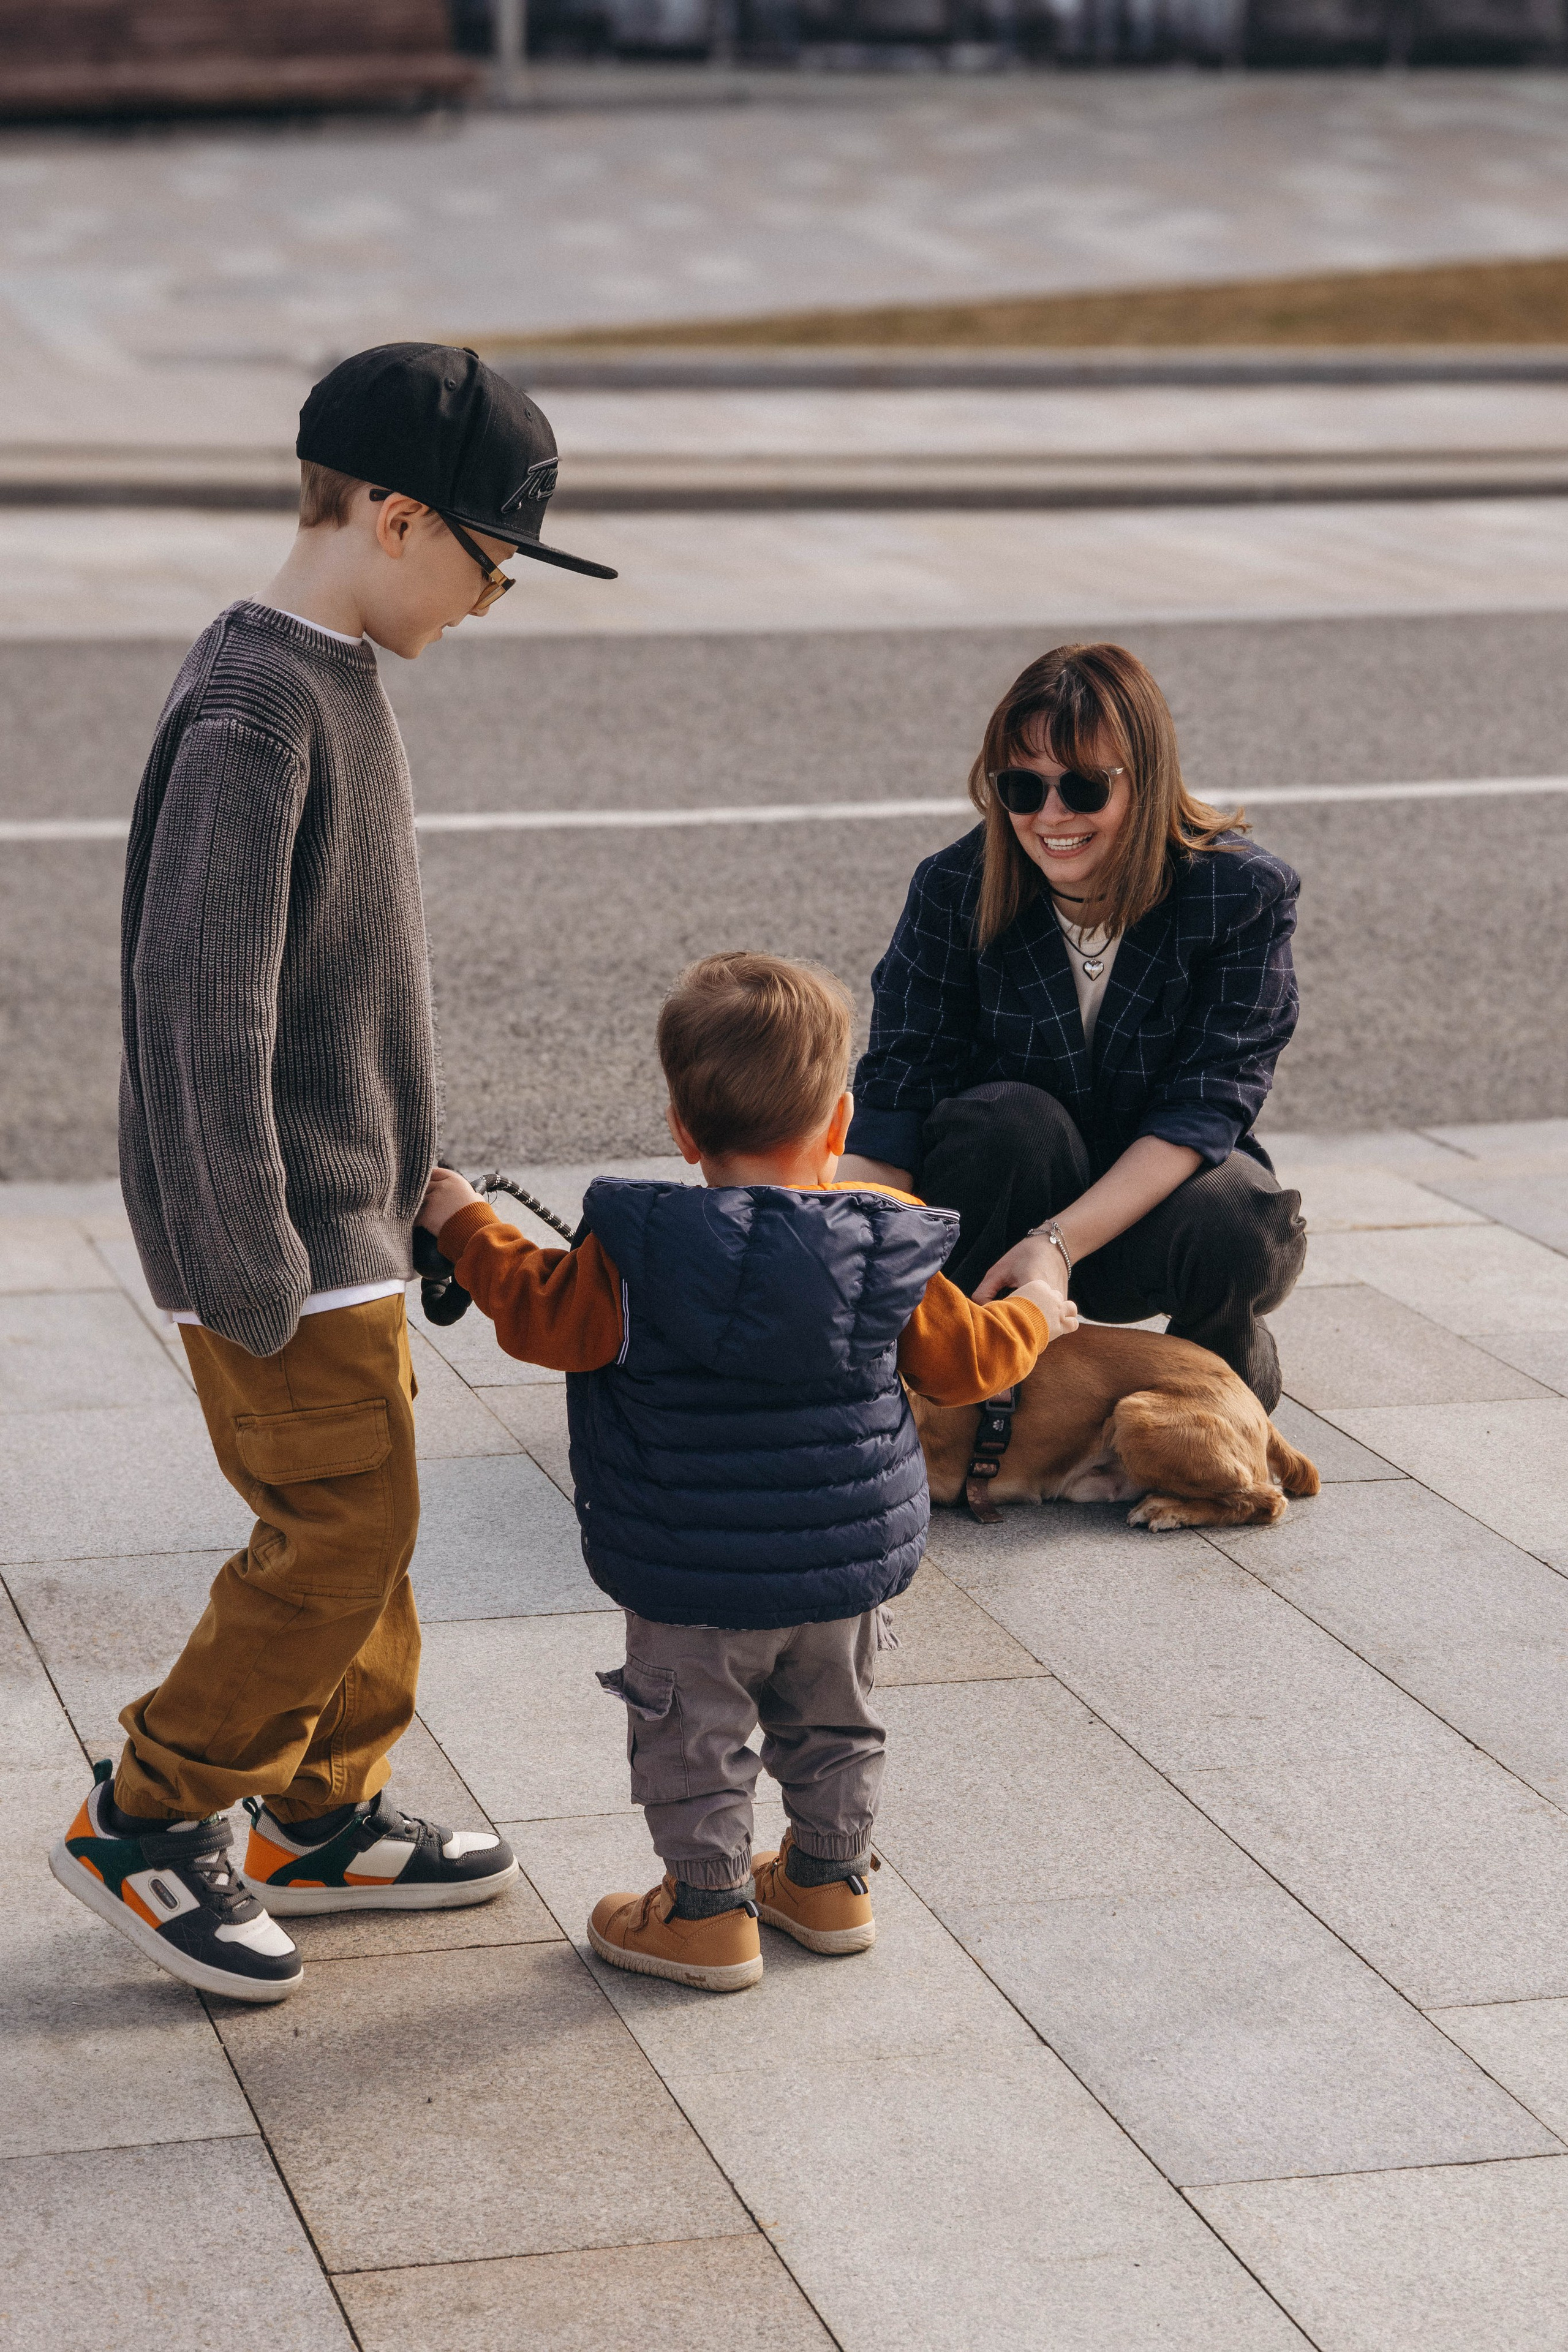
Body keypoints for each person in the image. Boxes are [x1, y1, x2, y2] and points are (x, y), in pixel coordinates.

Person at [50, 343, 617, 2003]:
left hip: (346, 1212)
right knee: (336, 1524)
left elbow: (347, 983)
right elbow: (201, 1006)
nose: (498, 596)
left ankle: (323, 1811)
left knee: (373, 1519)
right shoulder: (256, 707)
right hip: (273, 1233)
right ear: (392, 516)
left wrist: (429, 1188)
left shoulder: (336, 677)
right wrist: (246, 1257)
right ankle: (151, 1818)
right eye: (493, 559)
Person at [418, 952, 1076, 1993]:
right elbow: (970, 1364)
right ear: (839, 1122)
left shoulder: (635, 1252)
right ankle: (827, 1881)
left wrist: (464, 1219)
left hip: (689, 1575)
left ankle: (709, 1913)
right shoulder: (887, 1248)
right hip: (839, 1573)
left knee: (695, 1739)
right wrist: (1043, 1296)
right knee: (837, 1722)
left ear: (683, 1129)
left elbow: (537, 1308)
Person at [837, 642, 1308, 1411]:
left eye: (1083, 787)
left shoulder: (1240, 894)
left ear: (1145, 780)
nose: (1050, 816)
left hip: (1145, 1213)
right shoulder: (953, 886)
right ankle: (974, 1379)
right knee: (1009, 1120)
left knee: (1238, 1222)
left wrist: (1056, 1245)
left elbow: (1203, 1110)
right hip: (997, 1210)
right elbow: (897, 1091)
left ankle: (1213, 1377)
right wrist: (818, 1242)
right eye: (1022, 786)